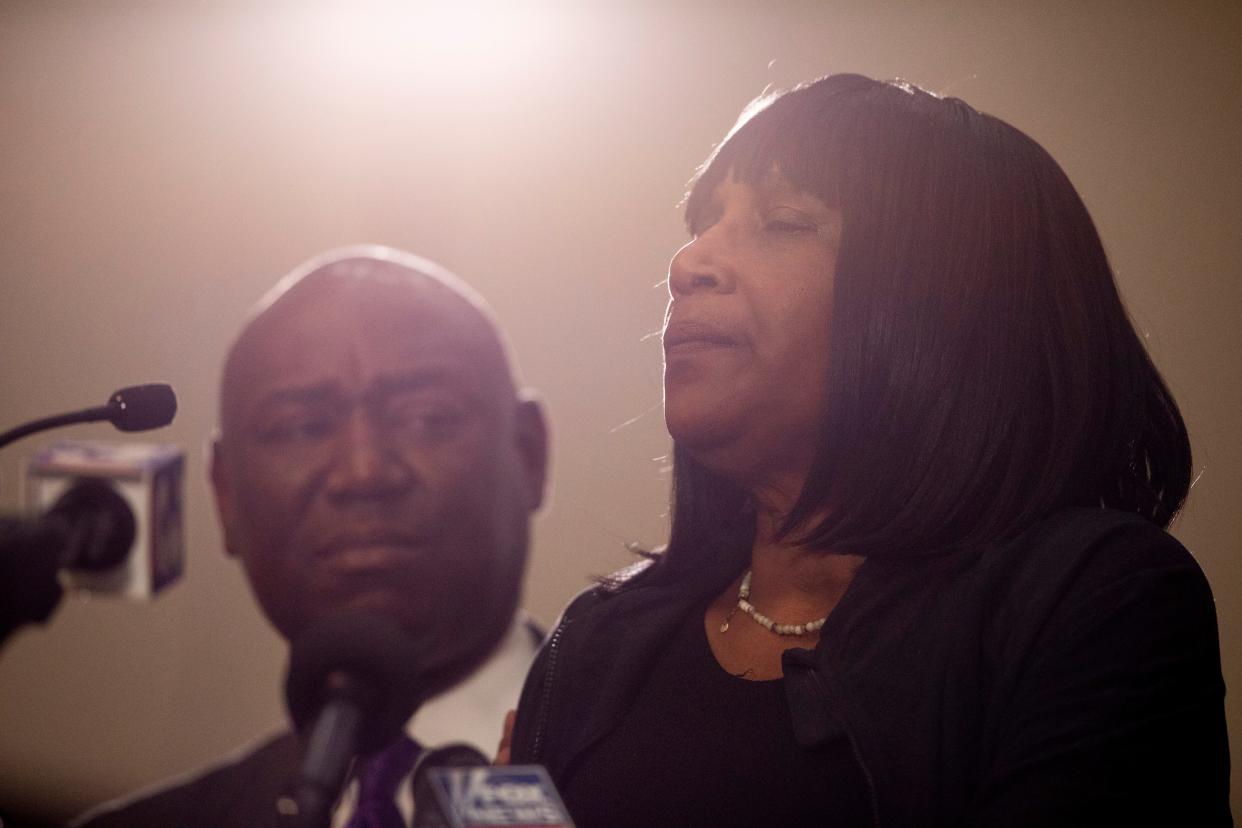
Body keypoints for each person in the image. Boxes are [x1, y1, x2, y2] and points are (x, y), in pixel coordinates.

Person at [506, 74, 1231, 826]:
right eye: (704, 221)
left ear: (943, 303)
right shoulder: (593, 641)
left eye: (782, 221)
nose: (690, 264)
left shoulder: (1092, 600)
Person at [77, 246, 549, 827]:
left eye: (426, 416)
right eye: (301, 427)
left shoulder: (666, 770)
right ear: (225, 495)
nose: (363, 472)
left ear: (528, 454)